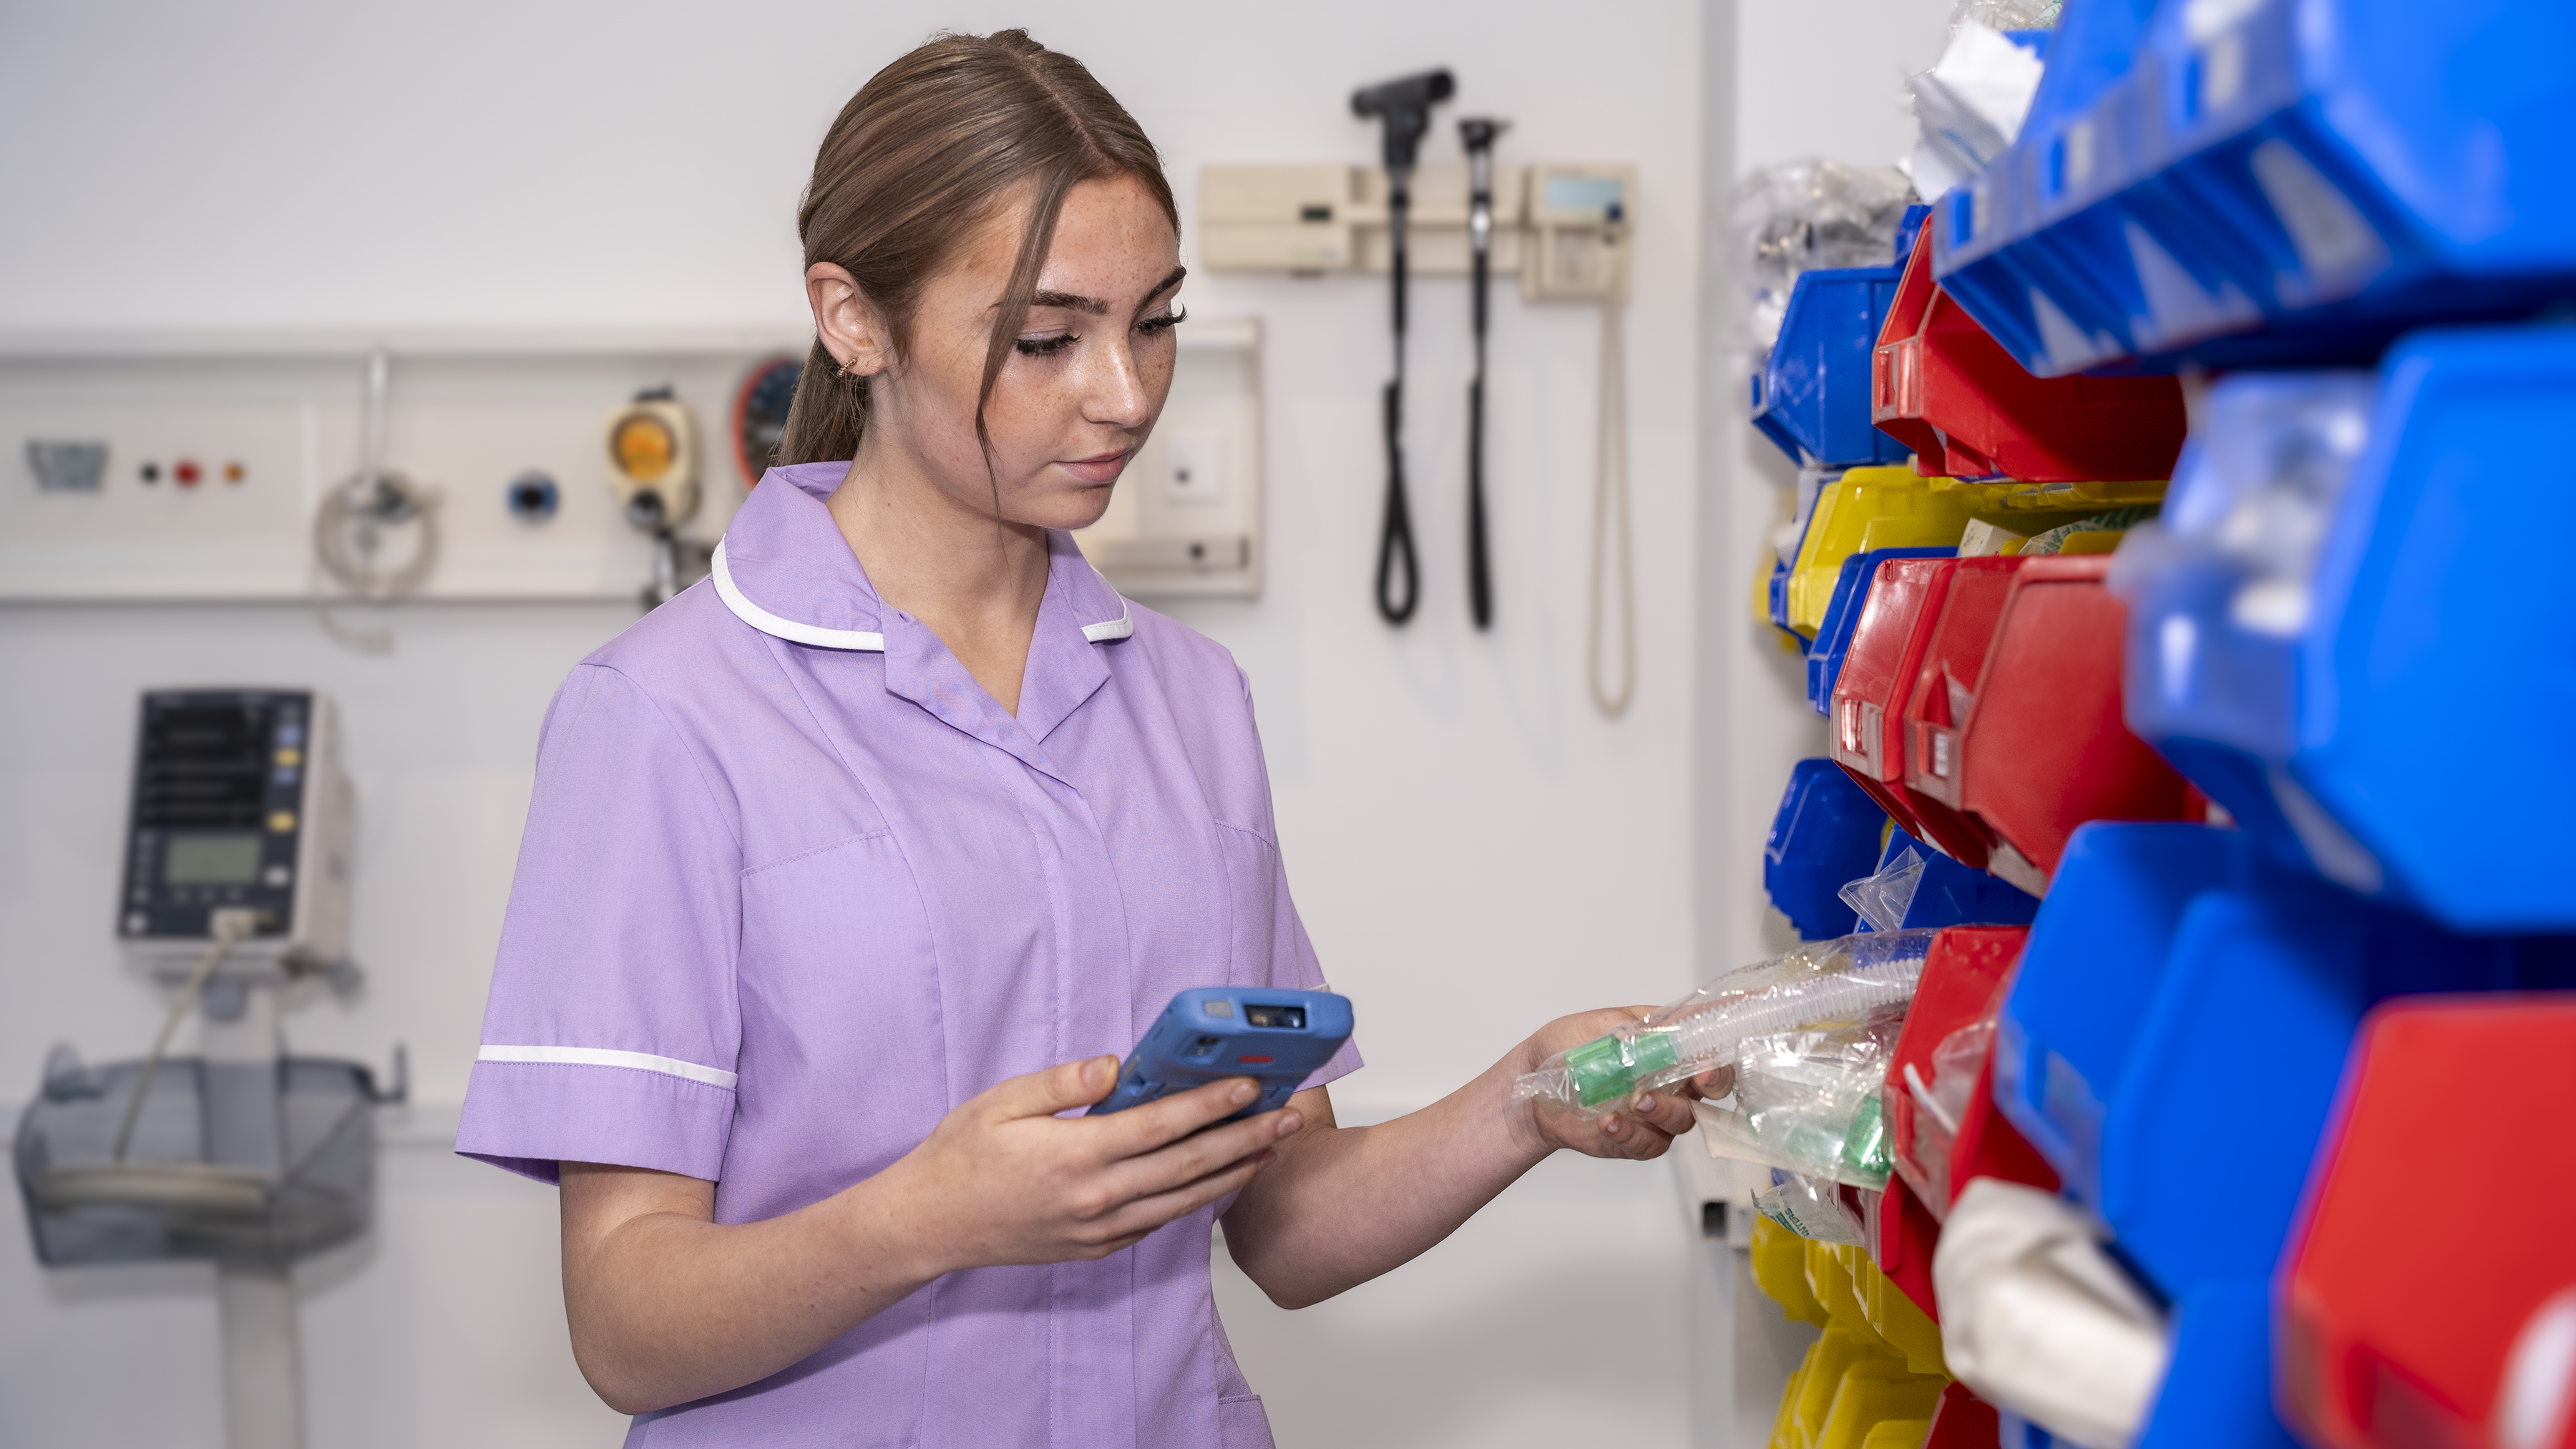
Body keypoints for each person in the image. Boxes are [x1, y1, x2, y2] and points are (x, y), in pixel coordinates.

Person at [456, 29, 1706, 1448]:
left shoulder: (1188, 701)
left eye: (1154, 320)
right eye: (1047, 338)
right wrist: (921, 1218)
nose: (1123, 392)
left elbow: (1284, 1222)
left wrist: (1532, 1095)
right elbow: (626, 1321)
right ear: (854, 319)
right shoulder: (668, 715)